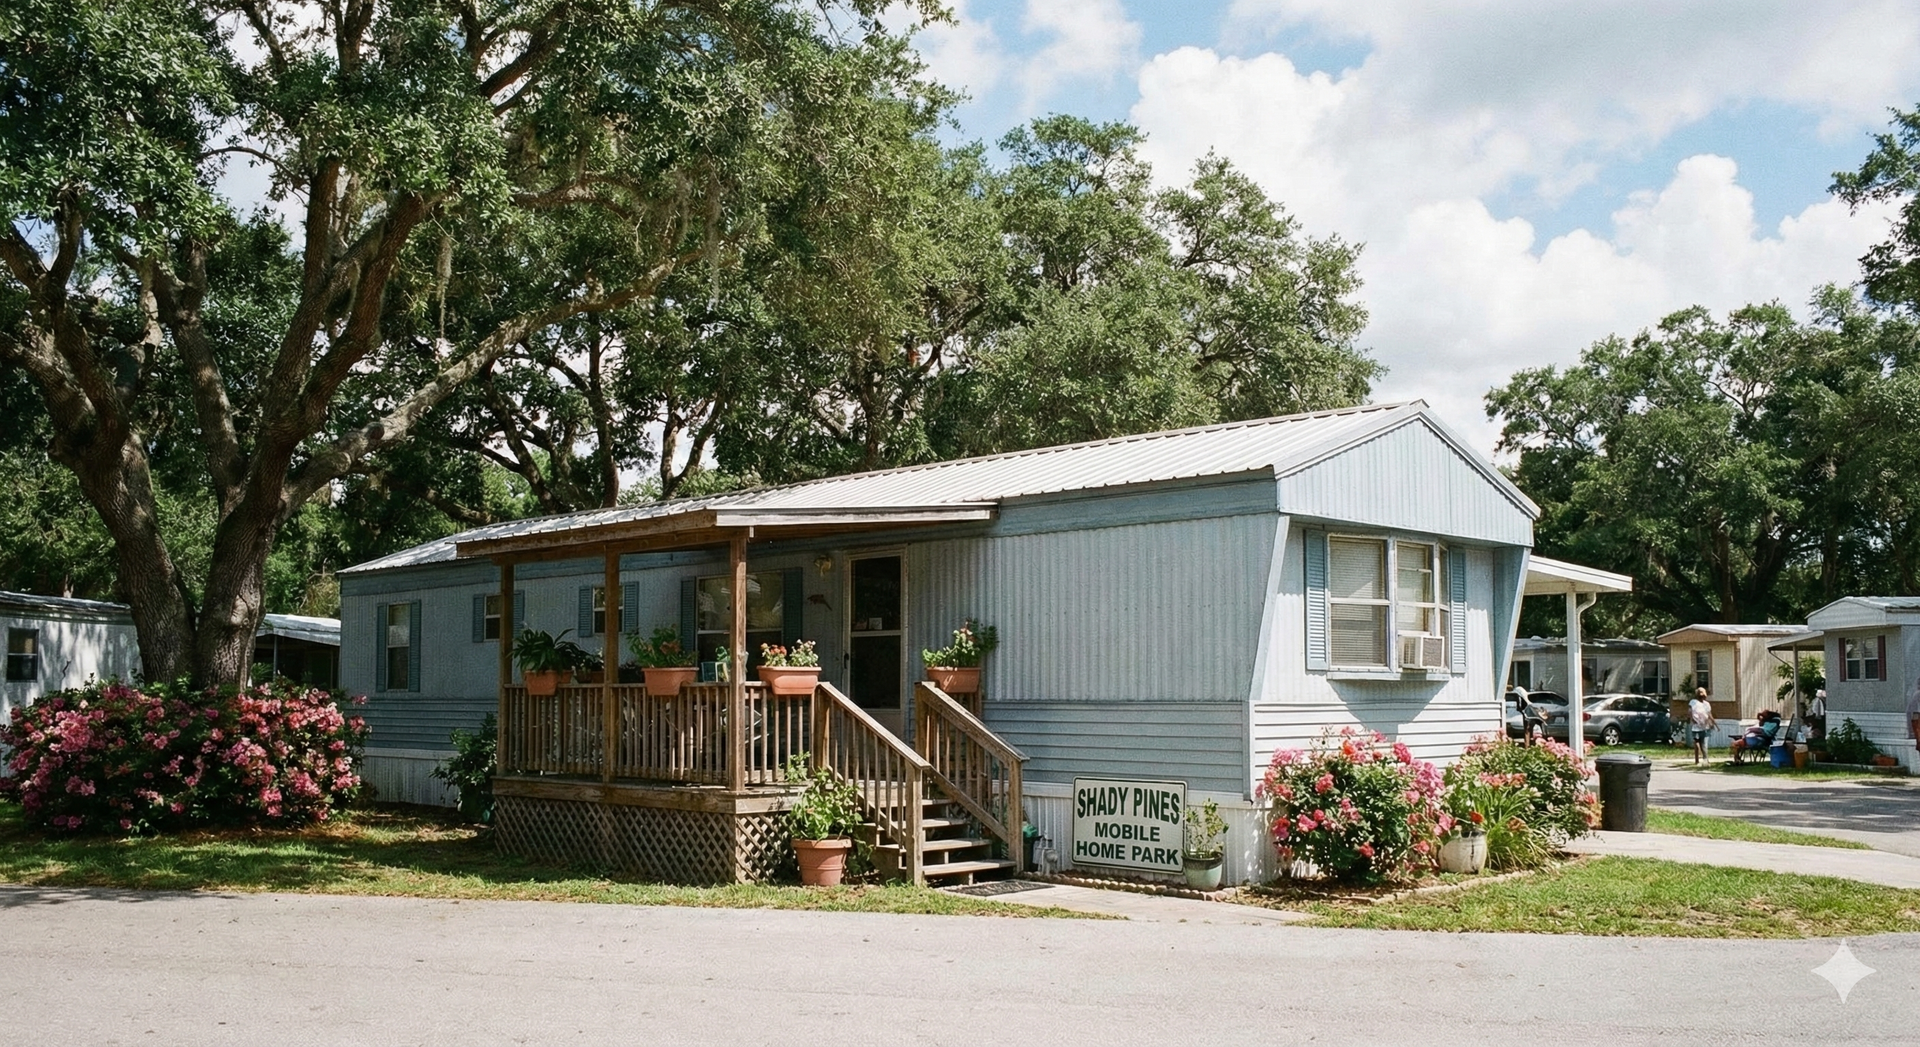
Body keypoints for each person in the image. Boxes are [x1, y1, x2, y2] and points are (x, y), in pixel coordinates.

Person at [1688, 686, 1715, 766]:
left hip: (1699, 726)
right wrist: (1712, 723)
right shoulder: (1706, 704)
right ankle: (1705, 759)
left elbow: (1689, 712)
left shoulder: (1693, 702)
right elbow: (1709, 715)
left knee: (1698, 742)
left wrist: (1691, 719)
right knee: (1703, 743)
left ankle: (1699, 760)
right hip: (1702, 726)